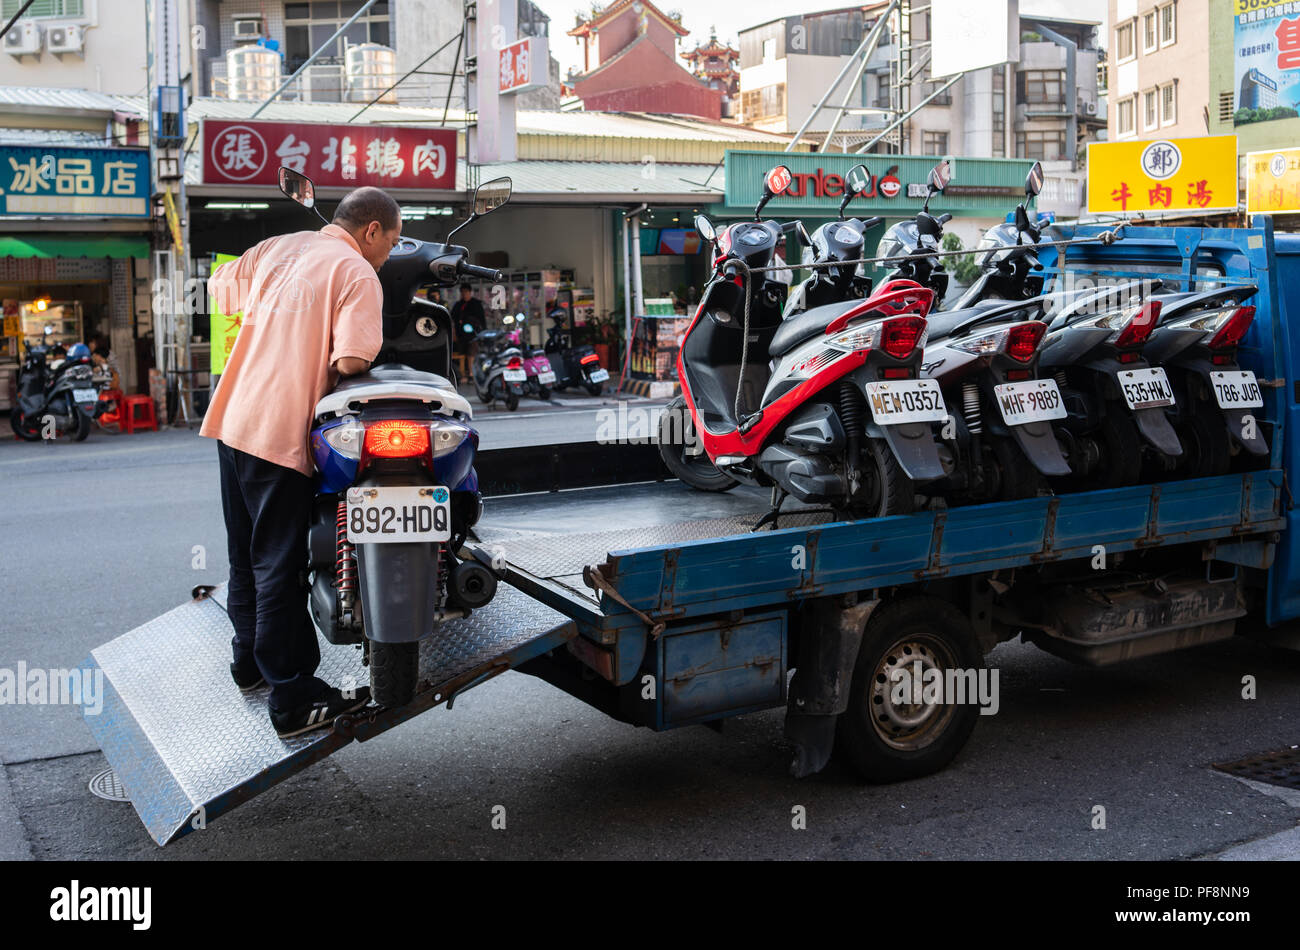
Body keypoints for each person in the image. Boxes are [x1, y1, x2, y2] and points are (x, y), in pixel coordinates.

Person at [200, 186, 401, 738]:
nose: (388, 254)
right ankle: (292, 697)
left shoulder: (278, 246)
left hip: (232, 419)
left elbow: (221, 293)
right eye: (393, 242)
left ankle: (248, 666)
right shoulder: (358, 273)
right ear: (373, 231)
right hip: (278, 431)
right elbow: (352, 359)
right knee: (279, 564)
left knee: (245, 554)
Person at [449, 283, 485, 358]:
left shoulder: (476, 304)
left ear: (470, 292)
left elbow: (482, 319)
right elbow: (452, 317)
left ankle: (471, 369)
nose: (464, 294)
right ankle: (462, 369)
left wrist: (483, 332)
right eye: (462, 292)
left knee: (471, 353)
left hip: (473, 334)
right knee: (461, 353)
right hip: (460, 334)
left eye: (466, 291)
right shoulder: (458, 304)